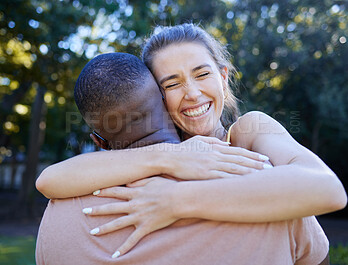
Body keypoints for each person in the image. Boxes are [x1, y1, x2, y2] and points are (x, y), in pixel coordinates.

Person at [36, 52, 330, 265]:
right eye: (174, 83)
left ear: (99, 141)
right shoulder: (273, 184)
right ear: (166, 101)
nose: (191, 92)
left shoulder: (59, 215)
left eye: (202, 74)